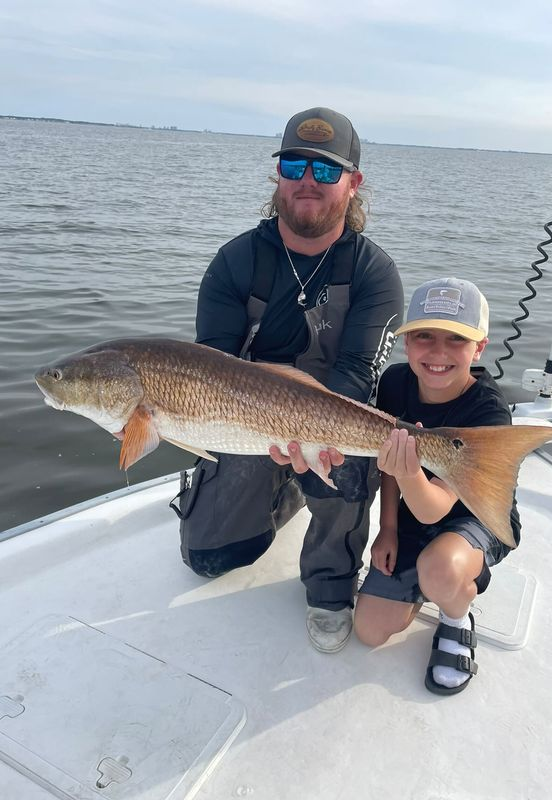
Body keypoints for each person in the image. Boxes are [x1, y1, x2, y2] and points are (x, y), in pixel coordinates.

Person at [173, 107, 404, 653]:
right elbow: (209, 370)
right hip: (244, 419)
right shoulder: (235, 262)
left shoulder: (374, 272)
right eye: (294, 165)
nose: (307, 181)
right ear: (277, 175)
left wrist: (309, 442)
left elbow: (355, 375)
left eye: (325, 171)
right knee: (207, 558)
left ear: (353, 183)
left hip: (333, 423)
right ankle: (284, 497)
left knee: (344, 475)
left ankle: (330, 581)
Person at [354, 277, 520, 694]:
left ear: (479, 347)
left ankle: (455, 614)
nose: (438, 352)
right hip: (412, 516)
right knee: (369, 631)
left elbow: (436, 508)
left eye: (456, 339)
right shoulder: (394, 383)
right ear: (405, 343)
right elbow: (390, 468)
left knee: (441, 568)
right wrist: (387, 528)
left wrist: (411, 473)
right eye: (424, 336)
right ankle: (426, 586)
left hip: (475, 516)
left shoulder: (487, 411)